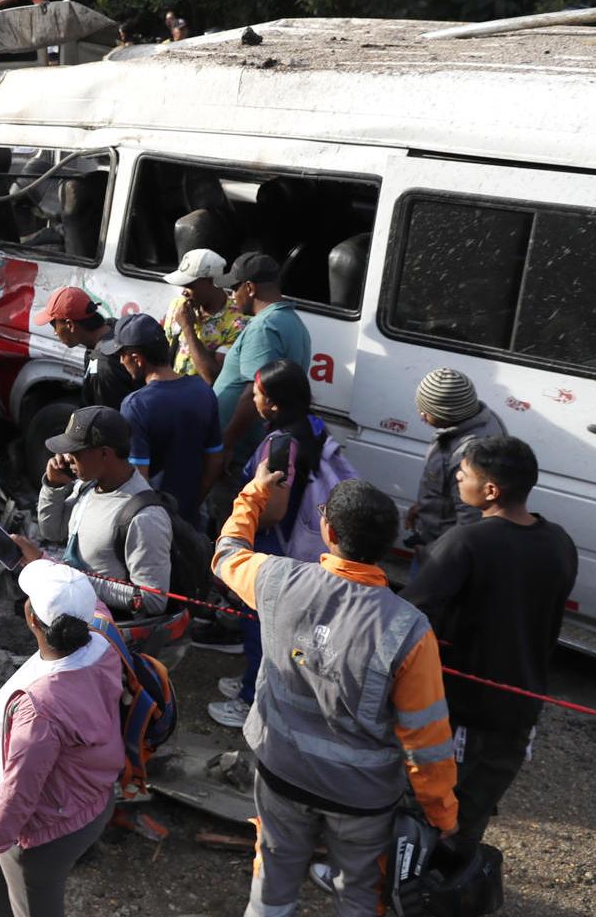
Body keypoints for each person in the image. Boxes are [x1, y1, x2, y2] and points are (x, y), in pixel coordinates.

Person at [211, 463, 457, 917]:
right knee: (359, 891)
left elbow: (226, 553)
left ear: (327, 530)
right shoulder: (408, 630)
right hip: (361, 797)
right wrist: (441, 813)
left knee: (273, 878)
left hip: (281, 773)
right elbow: (427, 740)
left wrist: (255, 493)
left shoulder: (277, 581)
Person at [402, 435, 575, 853]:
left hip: (463, 713)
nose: (457, 478)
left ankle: (404, 889)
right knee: (471, 818)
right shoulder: (559, 542)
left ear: (491, 490)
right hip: (519, 712)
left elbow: (410, 617)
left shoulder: (467, 543)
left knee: (425, 811)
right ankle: (451, 892)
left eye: (464, 474)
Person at [0, 557, 122, 917]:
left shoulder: (42, 710)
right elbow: (82, 601)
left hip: (47, 827)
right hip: (90, 792)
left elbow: (19, 792)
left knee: (32, 903)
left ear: (32, 619)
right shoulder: (104, 634)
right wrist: (38, 561)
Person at [209, 358, 360, 729]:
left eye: (256, 393)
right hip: (301, 543)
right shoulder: (311, 425)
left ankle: (252, 701)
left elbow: (274, 510)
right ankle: (250, 681)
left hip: (274, 545)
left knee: (261, 625)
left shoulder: (279, 445)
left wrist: (241, 524)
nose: (253, 398)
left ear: (272, 403)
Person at [34, 406, 173, 618]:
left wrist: (75, 579)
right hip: (77, 615)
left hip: (107, 632)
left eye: (75, 452)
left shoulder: (145, 518)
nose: (66, 457)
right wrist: (53, 487)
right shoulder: (87, 485)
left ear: (105, 454)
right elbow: (52, 532)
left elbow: (153, 600)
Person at [113, 313, 222, 528]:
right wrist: (191, 504)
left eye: (122, 355)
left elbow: (138, 481)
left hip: (154, 524)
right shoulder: (203, 391)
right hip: (191, 519)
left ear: (137, 358)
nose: (120, 361)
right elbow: (215, 462)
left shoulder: (135, 405)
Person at [211, 251, 312, 462]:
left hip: (240, 450)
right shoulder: (292, 321)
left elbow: (253, 394)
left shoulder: (264, 327)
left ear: (249, 288)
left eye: (234, 288)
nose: (231, 296)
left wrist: (226, 445)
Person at [408, 367, 506, 556]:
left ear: (447, 414)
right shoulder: (482, 420)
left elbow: (470, 521)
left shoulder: (467, 456)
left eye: (426, 411)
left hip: (442, 553)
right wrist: (423, 507)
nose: (421, 414)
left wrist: (432, 554)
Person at [30, 287, 138, 410]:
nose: (55, 332)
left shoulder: (104, 369)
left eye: (54, 325)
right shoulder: (112, 325)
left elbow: (110, 421)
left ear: (70, 325)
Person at [161, 248, 245, 384]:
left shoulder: (237, 324)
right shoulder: (178, 305)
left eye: (189, 285)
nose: (184, 293)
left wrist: (188, 329)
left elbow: (212, 378)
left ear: (211, 281)